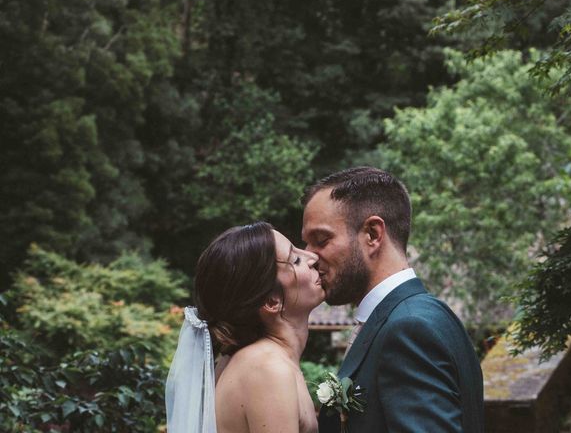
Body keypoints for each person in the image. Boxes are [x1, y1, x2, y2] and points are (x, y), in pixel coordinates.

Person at [302, 167, 484, 433]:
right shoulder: (424, 315)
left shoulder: (409, 329)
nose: (310, 256)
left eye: (320, 240)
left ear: (373, 234)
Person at [166, 221, 325, 433]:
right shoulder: (267, 369)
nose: (312, 257)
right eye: (295, 260)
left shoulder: (252, 359)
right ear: (271, 301)